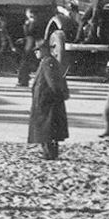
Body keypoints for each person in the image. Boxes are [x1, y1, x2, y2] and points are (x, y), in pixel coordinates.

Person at [27, 30, 70, 160]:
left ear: (45, 50)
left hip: (46, 102)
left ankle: (49, 153)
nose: (36, 52)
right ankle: (49, 152)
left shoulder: (47, 62)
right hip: (47, 101)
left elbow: (53, 83)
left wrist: (54, 98)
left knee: (46, 129)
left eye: (38, 50)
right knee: (49, 129)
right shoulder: (48, 61)